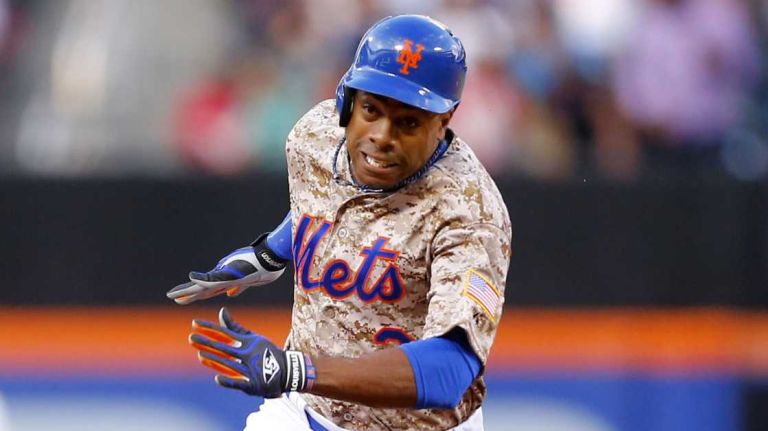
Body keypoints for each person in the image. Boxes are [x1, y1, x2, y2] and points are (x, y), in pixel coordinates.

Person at [167, 15, 512, 431]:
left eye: (408, 121)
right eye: (371, 109)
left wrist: (297, 370)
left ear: (445, 119)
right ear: (347, 97)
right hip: (303, 412)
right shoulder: (316, 135)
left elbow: (450, 370)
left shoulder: (469, 213)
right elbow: (324, 200)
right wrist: (271, 252)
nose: (382, 135)